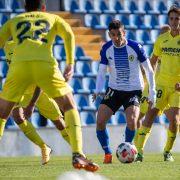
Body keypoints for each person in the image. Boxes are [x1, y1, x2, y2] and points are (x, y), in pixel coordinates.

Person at [0, 0, 99, 172]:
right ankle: (77, 153)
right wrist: (70, 63)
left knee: (2, 114)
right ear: (44, 7)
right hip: (45, 65)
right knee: (69, 106)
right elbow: (69, 33)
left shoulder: (13, 21)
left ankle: (63, 150)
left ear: (24, 7)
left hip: (19, 68)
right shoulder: (52, 17)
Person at [92, 20, 156, 164]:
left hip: (133, 90)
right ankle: (108, 153)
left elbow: (149, 71)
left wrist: (152, 92)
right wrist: (97, 90)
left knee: (132, 120)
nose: (117, 38)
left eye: (119, 34)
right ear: (109, 35)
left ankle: (127, 149)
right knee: (100, 121)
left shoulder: (135, 47)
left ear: (124, 33)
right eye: (113, 35)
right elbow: (102, 72)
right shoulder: (106, 49)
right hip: (114, 89)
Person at [0, 40, 71, 165]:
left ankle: (79, 152)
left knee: (58, 122)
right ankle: (44, 147)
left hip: (38, 89)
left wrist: (32, 104)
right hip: (19, 89)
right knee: (17, 116)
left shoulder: (31, 47)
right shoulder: (7, 45)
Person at [135, 5, 180, 162]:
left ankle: (167, 151)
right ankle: (139, 152)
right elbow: (152, 62)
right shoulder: (162, 39)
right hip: (160, 84)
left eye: (177, 19)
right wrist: (150, 86)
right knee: (150, 115)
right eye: (172, 19)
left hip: (177, 88)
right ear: (169, 20)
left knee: (175, 120)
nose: (174, 22)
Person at [133, 24, 171, 145]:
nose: (161, 35)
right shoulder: (157, 50)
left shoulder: (172, 52)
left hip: (167, 87)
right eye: (160, 33)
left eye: (164, 32)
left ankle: (167, 149)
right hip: (151, 88)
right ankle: (135, 144)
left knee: (174, 119)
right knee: (139, 116)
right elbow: (148, 67)